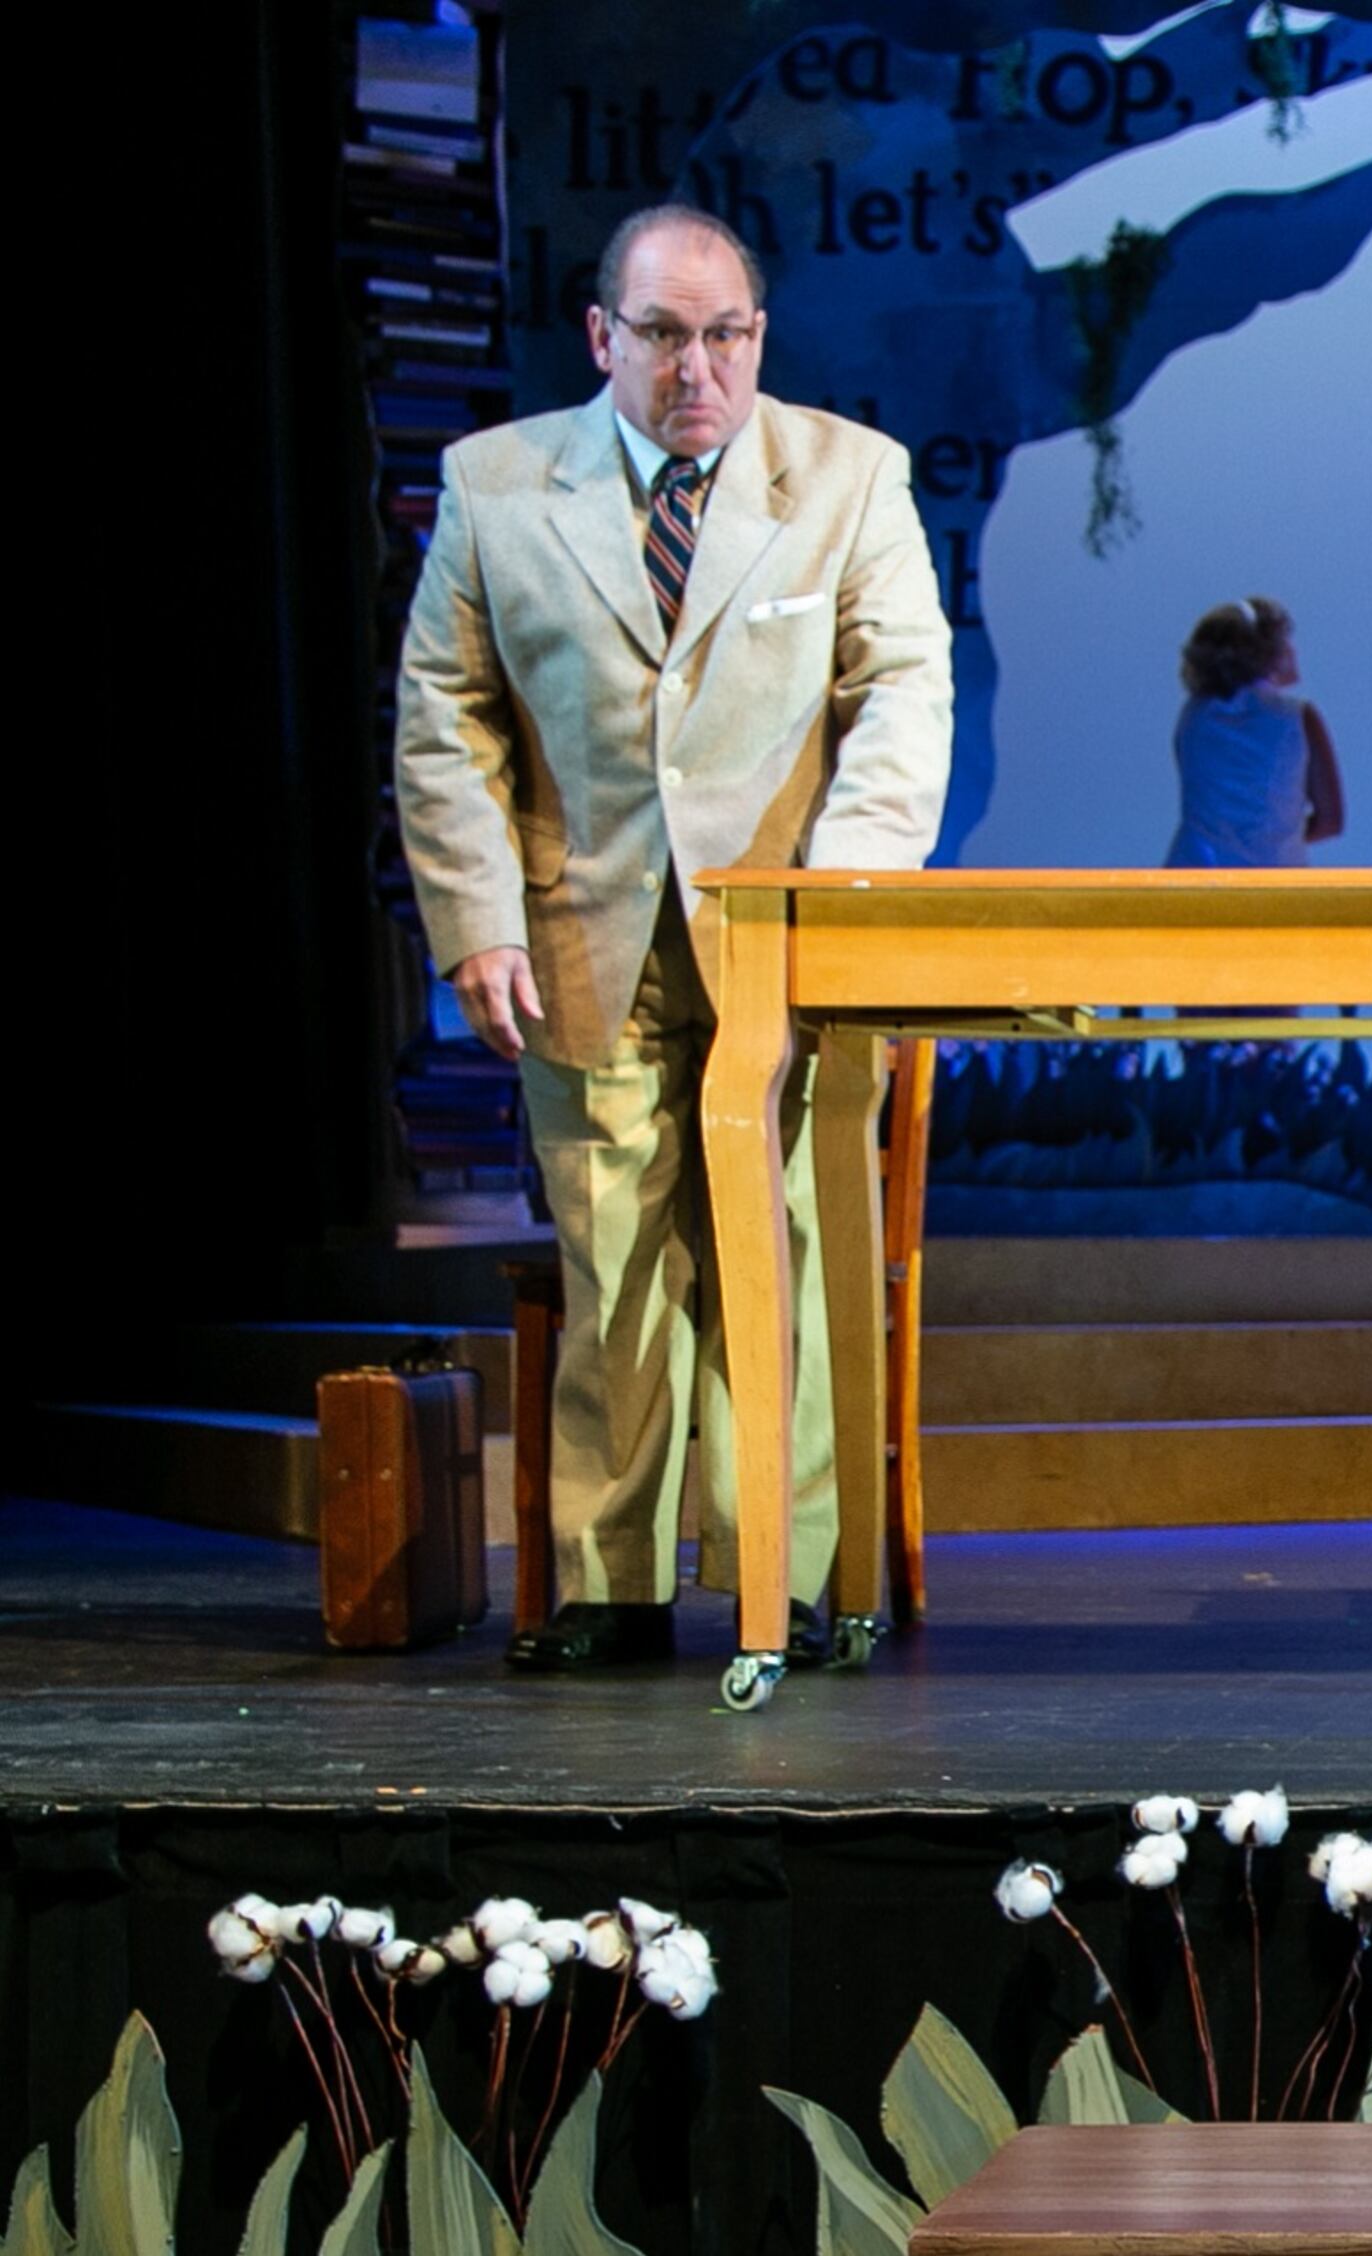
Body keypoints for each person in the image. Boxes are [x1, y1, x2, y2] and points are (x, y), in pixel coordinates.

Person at [396, 202, 953, 1675]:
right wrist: (474, 920)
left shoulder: (848, 476)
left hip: (797, 945)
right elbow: (445, 719)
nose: (696, 367)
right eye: (662, 334)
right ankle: (611, 1579)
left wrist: (847, 899)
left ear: (758, 338)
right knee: (615, 1247)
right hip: (587, 935)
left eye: (725, 335)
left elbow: (901, 688)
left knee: (801, 1241)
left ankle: (818, 1574)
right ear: (604, 337)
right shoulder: (498, 486)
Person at [1166, 596, 1342, 866]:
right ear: (1269, 652)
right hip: (1272, 884)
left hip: (1193, 875)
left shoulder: (1193, 718)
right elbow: (1331, 820)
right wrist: (1276, 835)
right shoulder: (1298, 718)